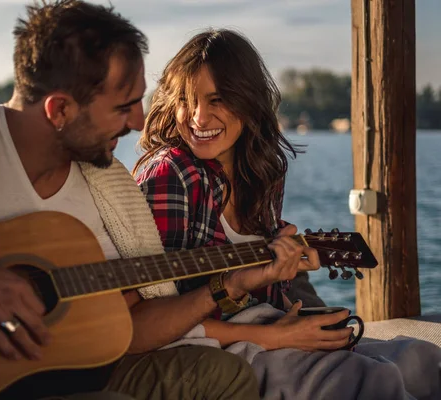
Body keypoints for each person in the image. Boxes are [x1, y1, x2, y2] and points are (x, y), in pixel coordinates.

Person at [0, 3, 260, 400]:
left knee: (220, 375)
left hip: (59, 371)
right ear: (59, 109)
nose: (138, 123)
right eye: (123, 107)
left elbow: (130, 328)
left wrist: (229, 285)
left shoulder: (107, 186)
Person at [134, 28, 441, 400]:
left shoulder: (263, 172)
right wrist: (276, 335)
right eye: (187, 99)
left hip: (266, 326)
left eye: (218, 100)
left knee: (419, 358)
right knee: (366, 380)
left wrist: (285, 269)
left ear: (248, 102)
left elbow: (262, 295)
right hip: (208, 349)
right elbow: (159, 317)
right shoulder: (172, 174)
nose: (199, 117)